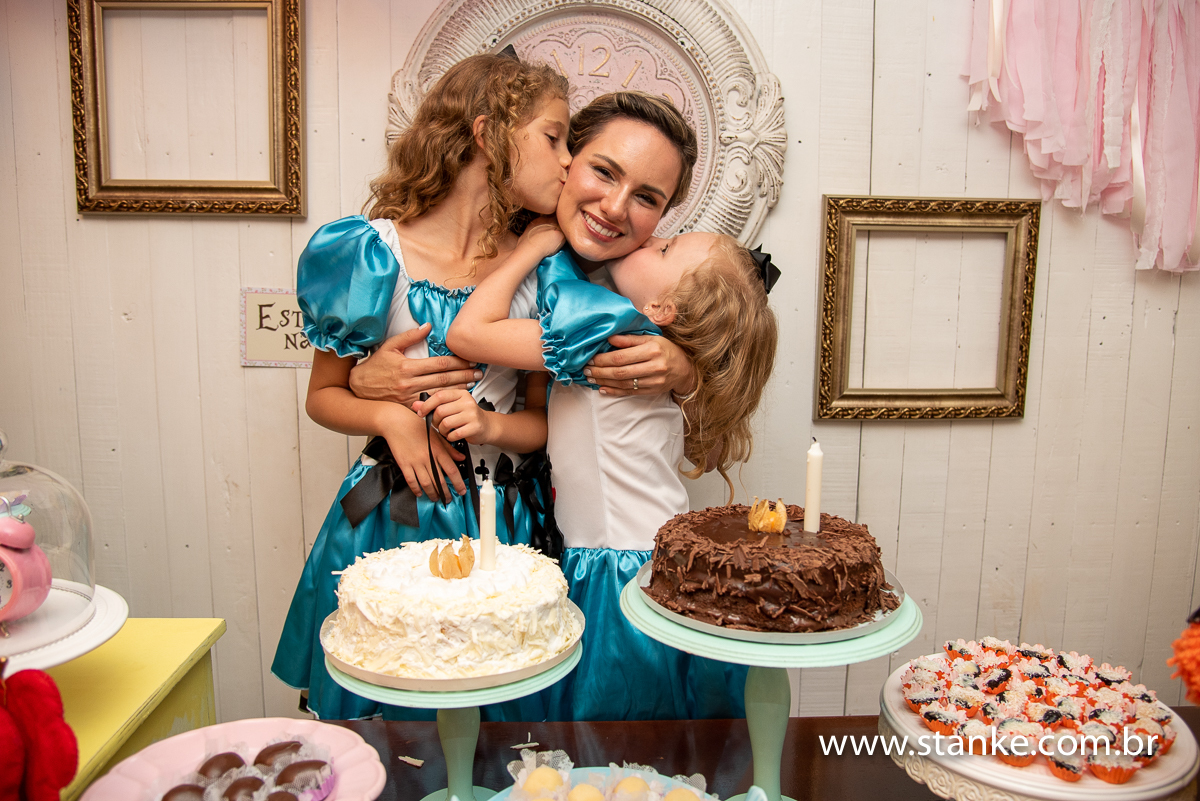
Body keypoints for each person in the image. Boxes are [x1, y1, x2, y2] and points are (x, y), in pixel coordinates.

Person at [441, 93, 780, 722]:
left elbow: (474, 335)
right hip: (537, 529)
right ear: (564, 159)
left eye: (648, 200)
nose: (617, 209)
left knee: (614, 720)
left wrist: (687, 370)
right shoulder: (594, 286)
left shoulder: (608, 314)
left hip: (612, 560)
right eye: (604, 171)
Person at [272, 53, 572, 721]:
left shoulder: (541, 271)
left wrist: (490, 426)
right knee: (391, 706)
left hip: (504, 524)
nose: (568, 161)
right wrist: (393, 419)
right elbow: (323, 396)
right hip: (393, 517)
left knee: (495, 716)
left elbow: (543, 422)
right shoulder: (370, 252)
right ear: (487, 133)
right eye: (554, 138)